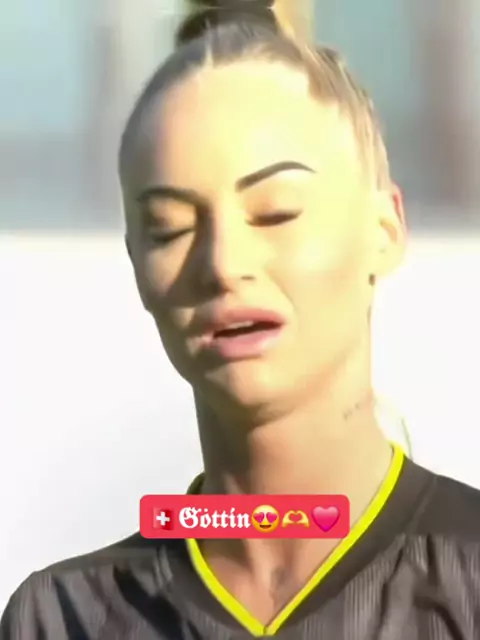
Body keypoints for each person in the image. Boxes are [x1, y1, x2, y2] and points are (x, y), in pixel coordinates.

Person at [2, 1, 480, 638]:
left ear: (384, 230)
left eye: (276, 212)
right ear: (136, 264)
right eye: (170, 228)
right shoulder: (64, 617)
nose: (223, 265)